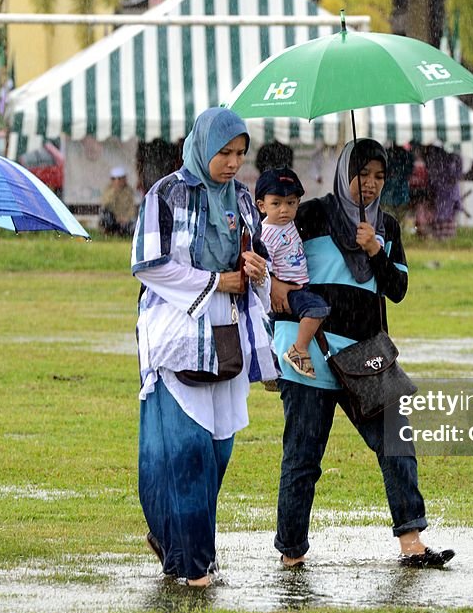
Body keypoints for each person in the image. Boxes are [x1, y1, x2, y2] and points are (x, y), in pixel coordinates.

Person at [271, 138, 454, 570]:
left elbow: (398, 289)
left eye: (378, 177)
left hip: (366, 360)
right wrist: (276, 294)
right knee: (302, 459)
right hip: (309, 357)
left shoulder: (386, 228)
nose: (369, 185)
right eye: (361, 175)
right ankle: (291, 552)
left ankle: (412, 540)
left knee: (396, 443)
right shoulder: (310, 215)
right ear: (343, 173)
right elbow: (271, 255)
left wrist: (374, 250)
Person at [131, 107, 276, 587]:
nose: (233, 163)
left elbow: (259, 260)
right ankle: (195, 565)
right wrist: (217, 281)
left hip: (229, 336)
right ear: (201, 147)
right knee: (186, 452)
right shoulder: (166, 194)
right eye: (224, 153)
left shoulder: (241, 199)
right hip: (178, 331)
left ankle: (181, 547)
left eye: (240, 154)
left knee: (218, 453)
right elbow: (149, 265)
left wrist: (255, 271)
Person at [255, 167, 329, 379]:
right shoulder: (267, 233)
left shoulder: (288, 224)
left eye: (291, 203)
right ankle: (299, 350)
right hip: (288, 289)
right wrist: (274, 286)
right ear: (262, 206)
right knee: (317, 308)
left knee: (270, 328)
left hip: (297, 285)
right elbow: (261, 264)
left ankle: (272, 368)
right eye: (276, 203)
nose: (284, 210)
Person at [100, 165, 137, 236]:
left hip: (125, 220)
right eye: (115, 179)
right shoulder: (108, 190)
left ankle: (121, 232)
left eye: (120, 179)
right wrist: (115, 191)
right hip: (113, 220)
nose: (118, 181)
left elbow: (132, 208)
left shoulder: (129, 191)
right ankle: (110, 232)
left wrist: (126, 218)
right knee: (106, 216)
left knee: (134, 224)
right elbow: (106, 205)